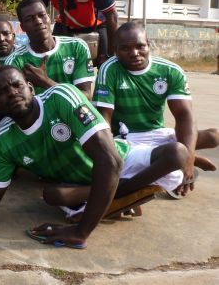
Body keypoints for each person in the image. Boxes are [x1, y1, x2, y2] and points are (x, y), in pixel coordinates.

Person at [0, 66, 188, 248]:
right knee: (53, 196)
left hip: (121, 160)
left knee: (177, 154)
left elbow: (110, 161)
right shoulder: (3, 143)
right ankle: (111, 196)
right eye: (2, 92)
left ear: (30, 88)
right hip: (78, 182)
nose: (11, 92)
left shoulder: (62, 97)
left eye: (17, 85)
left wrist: (81, 231)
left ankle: (104, 195)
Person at [93, 21, 219, 197]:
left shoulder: (170, 70)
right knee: (174, 165)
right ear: (116, 50)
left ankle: (173, 162)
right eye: (125, 48)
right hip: (126, 139)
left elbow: (184, 115)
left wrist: (189, 158)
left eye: (140, 46)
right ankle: (161, 169)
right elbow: (103, 118)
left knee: (214, 136)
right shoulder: (110, 69)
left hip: (158, 136)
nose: (134, 53)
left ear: (149, 45)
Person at [5, 0, 95, 100]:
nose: (38, 21)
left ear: (49, 18)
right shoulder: (15, 61)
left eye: (42, 15)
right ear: (22, 27)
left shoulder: (77, 47)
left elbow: (86, 96)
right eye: (29, 19)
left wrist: (45, 81)